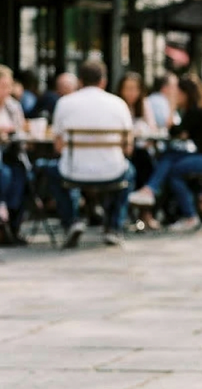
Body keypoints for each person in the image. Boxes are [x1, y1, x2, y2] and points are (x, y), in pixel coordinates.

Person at [46, 59, 135, 248]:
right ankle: (114, 226)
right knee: (130, 172)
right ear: (103, 81)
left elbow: (58, 147)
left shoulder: (64, 103)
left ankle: (71, 220)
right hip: (112, 172)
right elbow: (128, 148)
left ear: (80, 81)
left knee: (50, 170)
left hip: (73, 172)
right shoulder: (119, 104)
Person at [129, 73, 202, 232]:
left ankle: (189, 215)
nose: (175, 96)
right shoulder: (200, 109)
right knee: (171, 155)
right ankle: (150, 190)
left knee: (175, 171)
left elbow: (174, 131)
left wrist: (172, 106)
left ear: (185, 94)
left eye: (177, 93)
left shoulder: (195, 112)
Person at [116, 71, 159, 230]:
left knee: (145, 160)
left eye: (134, 89)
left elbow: (152, 130)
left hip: (139, 149)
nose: (131, 93)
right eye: (127, 88)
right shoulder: (117, 105)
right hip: (120, 152)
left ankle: (145, 212)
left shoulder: (144, 104)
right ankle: (141, 213)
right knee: (141, 160)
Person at [0, 64, 29, 239]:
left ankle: (12, 225)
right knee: (4, 174)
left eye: (8, 86)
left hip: (12, 153)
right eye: (2, 86)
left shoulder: (13, 106)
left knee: (22, 174)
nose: (5, 91)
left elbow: (21, 129)